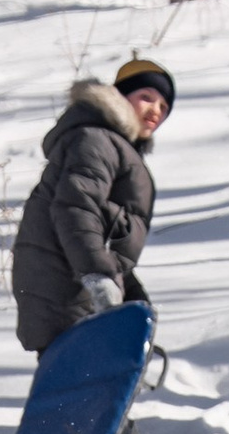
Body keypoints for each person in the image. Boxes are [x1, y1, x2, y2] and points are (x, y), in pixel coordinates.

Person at [11, 58, 172, 356]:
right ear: (121, 97)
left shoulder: (112, 145)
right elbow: (76, 206)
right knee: (74, 385)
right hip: (67, 286)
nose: (155, 110)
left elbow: (107, 232)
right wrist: (98, 276)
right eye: (147, 97)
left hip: (72, 281)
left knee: (81, 388)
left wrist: (133, 301)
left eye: (164, 106)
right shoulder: (97, 139)